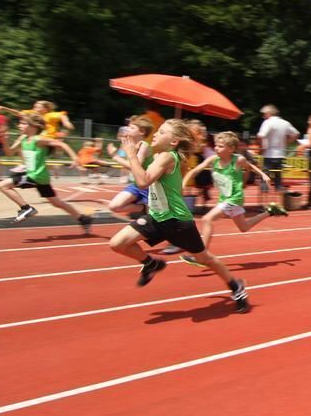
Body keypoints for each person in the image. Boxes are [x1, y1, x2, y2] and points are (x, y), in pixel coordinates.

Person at [108, 119, 249, 313]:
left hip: (177, 221)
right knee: (118, 243)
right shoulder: (159, 155)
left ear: (174, 141)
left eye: (162, 131)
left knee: (204, 259)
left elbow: (142, 182)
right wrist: (137, 154)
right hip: (157, 217)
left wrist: (131, 154)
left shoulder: (167, 156)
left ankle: (236, 286)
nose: (156, 134)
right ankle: (151, 263)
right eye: (156, 131)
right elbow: (142, 172)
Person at [178, 131, 286, 266]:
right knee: (244, 227)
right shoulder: (213, 160)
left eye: (221, 146)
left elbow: (250, 166)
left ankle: (202, 256)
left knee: (207, 219)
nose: (216, 148)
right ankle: (270, 211)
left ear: (231, 149)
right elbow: (194, 171)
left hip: (233, 198)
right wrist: (183, 183)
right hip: (224, 199)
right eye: (216, 145)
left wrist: (263, 175)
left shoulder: (238, 160)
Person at [0, 113, 93, 233]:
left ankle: (26, 208)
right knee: (56, 202)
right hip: (40, 177)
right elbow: (10, 153)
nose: (19, 125)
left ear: (33, 126)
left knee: (2, 185)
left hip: (35, 175)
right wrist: (4, 141)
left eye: (23, 123)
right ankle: (83, 219)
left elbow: (62, 144)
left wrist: (75, 158)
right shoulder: (23, 138)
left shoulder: (38, 140)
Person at [106, 117, 155, 218]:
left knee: (154, 222)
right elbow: (128, 164)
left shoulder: (144, 145)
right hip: (137, 184)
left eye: (132, 128)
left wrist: (115, 156)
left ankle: (148, 211)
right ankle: (142, 208)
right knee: (113, 206)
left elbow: (134, 166)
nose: (128, 129)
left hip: (149, 186)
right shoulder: (131, 145)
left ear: (142, 132)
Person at [257, 105, 299, 192]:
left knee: (265, 178)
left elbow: (260, 136)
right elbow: (296, 134)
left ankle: (264, 201)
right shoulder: (285, 123)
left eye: (264, 114)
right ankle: (279, 202)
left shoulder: (267, 122)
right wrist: (286, 142)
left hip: (269, 154)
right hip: (280, 154)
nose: (263, 116)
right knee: (278, 181)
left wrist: (262, 148)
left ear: (269, 113)